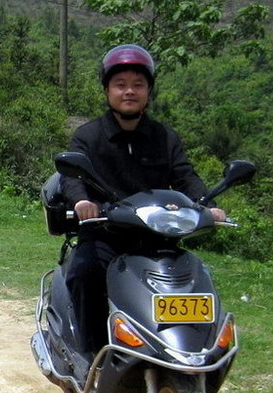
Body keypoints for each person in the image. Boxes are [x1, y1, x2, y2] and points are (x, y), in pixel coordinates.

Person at [61, 43, 226, 359]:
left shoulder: (164, 137)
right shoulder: (89, 136)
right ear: (107, 90)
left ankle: (188, 351)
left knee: (193, 278)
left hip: (156, 237)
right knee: (85, 274)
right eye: (120, 84)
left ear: (149, 91)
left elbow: (185, 175)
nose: (129, 92)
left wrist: (205, 204)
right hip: (104, 234)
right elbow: (72, 177)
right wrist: (82, 202)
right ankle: (91, 356)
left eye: (138, 85)